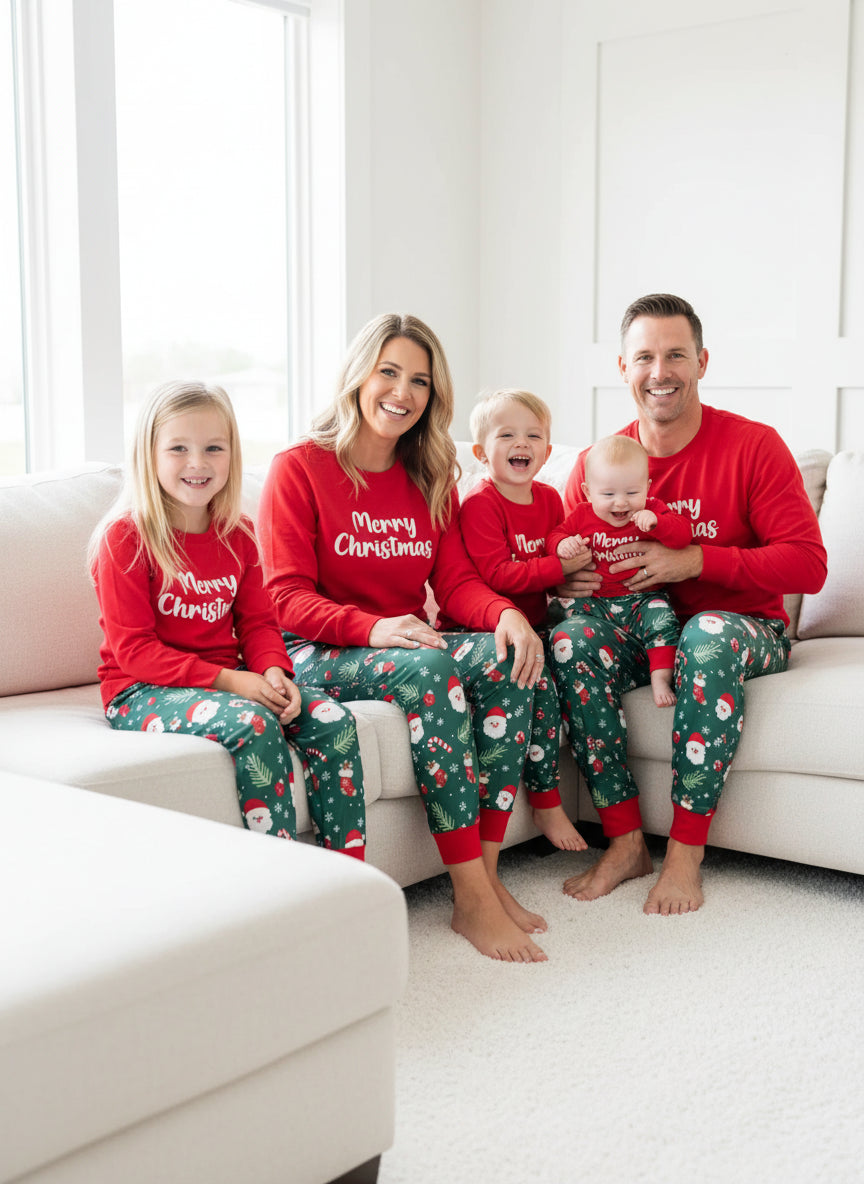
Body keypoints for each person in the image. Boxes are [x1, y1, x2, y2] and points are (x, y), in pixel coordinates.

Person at [258, 314, 550, 962]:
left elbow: (456, 583)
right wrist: (372, 627)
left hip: (401, 643)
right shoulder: (299, 468)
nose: (403, 391)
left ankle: (487, 876)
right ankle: (470, 899)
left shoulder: (429, 473)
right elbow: (283, 597)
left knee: (505, 657)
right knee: (429, 670)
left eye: (420, 380)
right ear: (358, 376)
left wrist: (504, 613)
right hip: (315, 649)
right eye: (388, 372)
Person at [550, 293, 827, 915]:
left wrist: (697, 560)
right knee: (569, 641)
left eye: (676, 355)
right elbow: (562, 557)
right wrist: (563, 582)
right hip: (634, 632)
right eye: (644, 357)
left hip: (741, 630)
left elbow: (809, 565)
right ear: (623, 368)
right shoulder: (599, 466)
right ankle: (625, 842)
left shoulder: (753, 446)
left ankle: (684, 852)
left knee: (705, 631)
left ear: (701, 362)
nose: (660, 372)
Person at [90, 380, 365, 857]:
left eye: (213, 448)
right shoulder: (126, 540)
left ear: (232, 456)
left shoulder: (239, 535)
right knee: (255, 724)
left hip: (227, 680)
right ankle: (280, 877)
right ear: (148, 455)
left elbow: (258, 623)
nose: (197, 462)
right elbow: (134, 651)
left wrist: (274, 673)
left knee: (333, 720)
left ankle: (349, 876)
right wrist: (232, 682)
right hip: (140, 690)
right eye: (178, 448)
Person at [459, 387, 587, 852]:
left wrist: (567, 554)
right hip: (484, 628)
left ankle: (555, 798)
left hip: (538, 621)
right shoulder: (481, 503)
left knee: (572, 661)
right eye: (507, 434)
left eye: (533, 435)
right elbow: (497, 574)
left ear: (547, 452)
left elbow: (556, 541)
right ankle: (546, 801)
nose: (522, 443)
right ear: (481, 453)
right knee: (540, 683)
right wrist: (560, 568)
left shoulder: (550, 498)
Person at [548, 433, 692, 708]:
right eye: (608, 494)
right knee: (568, 617)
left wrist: (657, 523)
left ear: (647, 487)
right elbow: (555, 535)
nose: (621, 503)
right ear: (588, 492)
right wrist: (562, 544)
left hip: (643, 600)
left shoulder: (653, 510)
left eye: (632, 493)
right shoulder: (581, 515)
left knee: (663, 619)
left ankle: (661, 678)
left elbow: (683, 535)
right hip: (596, 602)